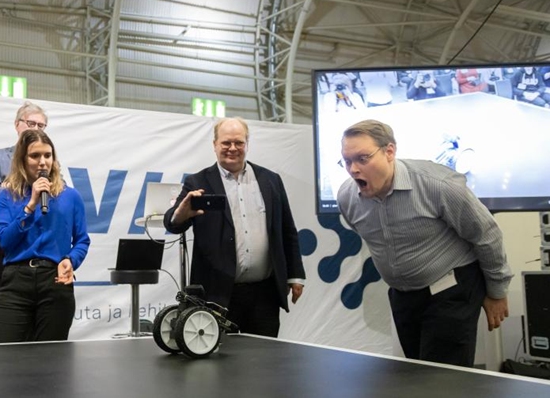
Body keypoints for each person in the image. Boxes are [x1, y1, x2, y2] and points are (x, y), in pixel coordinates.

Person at [336, 119, 513, 367]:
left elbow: (486, 234)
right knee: (418, 375)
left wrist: (496, 292)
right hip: (403, 296)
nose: (353, 169)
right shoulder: (347, 197)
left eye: (363, 159)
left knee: (442, 382)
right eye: (347, 161)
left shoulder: (438, 185)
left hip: (451, 289)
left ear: (389, 152)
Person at [163, 117, 305, 338]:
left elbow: (287, 229)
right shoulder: (197, 182)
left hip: (264, 295)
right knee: (218, 365)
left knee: (265, 360)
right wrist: (180, 215)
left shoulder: (270, 180)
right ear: (215, 145)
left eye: (239, 142)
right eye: (226, 143)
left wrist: (295, 275)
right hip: (217, 295)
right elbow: (172, 224)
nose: (232, 148)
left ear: (247, 143)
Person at [0, 129, 89, 343]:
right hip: (16, 281)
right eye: (35, 156)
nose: (42, 162)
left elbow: (82, 240)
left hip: (54, 281)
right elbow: (5, 241)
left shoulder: (71, 196)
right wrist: (31, 205)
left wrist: (70, 260)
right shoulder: (7, 196)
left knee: (50, 359)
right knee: (1, 355)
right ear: (22, 160)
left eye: (47, 155)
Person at [0, 101, 49, 344]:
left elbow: (55, 193)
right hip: (0, 237)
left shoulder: (47, 161)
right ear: (17, 125)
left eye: (41, 125)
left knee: (35, 305)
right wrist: (29, 193)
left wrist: (10, 187)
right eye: (31, 123)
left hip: (33, 239)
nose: (36, 128)